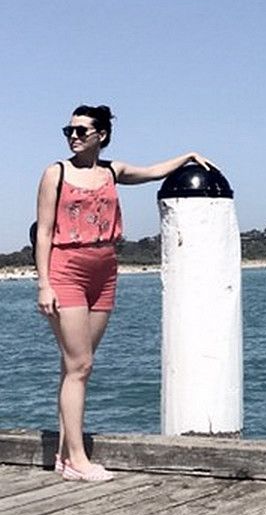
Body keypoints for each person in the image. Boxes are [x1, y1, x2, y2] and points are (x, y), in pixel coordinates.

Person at [34, 104, 213, 482]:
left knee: (73, 366)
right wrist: (44, 284)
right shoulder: (56, 173)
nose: (73, 136)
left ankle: (64, 455)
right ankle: (78, 460)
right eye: (69, 131)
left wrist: (188, 156)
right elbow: (45, 231)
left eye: (81, 130)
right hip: (67, 270)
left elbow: (151, 172)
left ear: (101, 135)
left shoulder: (112, 171)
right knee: (80, 365)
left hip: (105, 271)